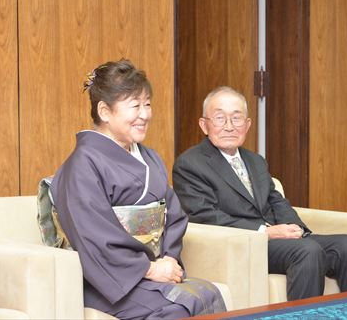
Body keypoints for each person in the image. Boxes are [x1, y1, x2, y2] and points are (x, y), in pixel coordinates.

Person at [50, 60, 225, 319]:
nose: (145, 114)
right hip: (108, 282)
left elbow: (173, 215)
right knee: (179, 307)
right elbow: (94, 237)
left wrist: (168, 259)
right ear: (105, 111)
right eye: (135, 105)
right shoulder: (82, 164)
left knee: (210, 294)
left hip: (150, 270)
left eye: (148, 103)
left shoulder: (149, 158)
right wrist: (148, 269)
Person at [172, 86, 347, 301]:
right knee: (307, 251)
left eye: (236, 119)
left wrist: (296, 230)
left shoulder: (255, 160)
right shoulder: (190, 164)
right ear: (204, 125)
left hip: (276, 242)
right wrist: (265, 232)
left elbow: (277, 201)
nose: (229, 126)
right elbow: (206, 216)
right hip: (243, 244)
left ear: (247, 125)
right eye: (219, 118)